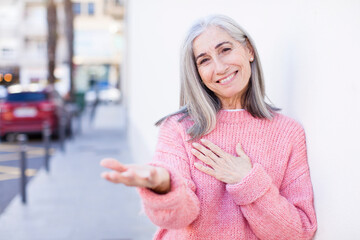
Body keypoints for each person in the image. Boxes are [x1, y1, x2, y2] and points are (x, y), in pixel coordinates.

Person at [100, 15, 317, 240]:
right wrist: (163, 184)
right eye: (204, 60)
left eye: (225, 50)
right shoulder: (179, 128)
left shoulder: (288, 132)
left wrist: (247, 180)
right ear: (198, 74)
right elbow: (179, 217)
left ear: (249, 50)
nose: (220, 67)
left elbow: (299, 232)